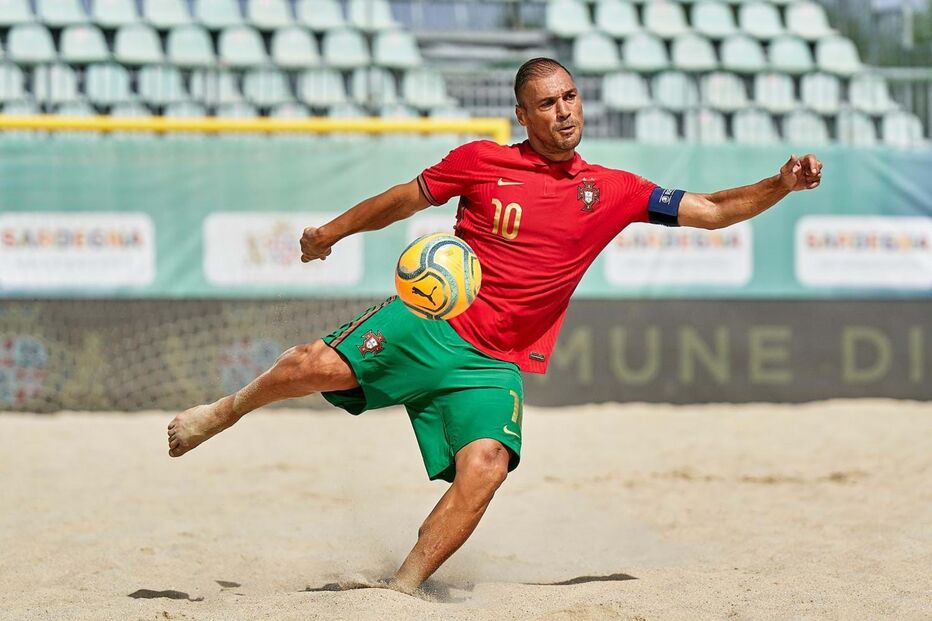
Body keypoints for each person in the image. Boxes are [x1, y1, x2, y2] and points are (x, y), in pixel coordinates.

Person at [167, 58, 823, 594]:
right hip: (432, 322)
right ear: (523, 114)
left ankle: (401, 589)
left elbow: (710, 209)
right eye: (546, 102)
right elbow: (401, 197)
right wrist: (331, 233)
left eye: (570, 97)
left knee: (486, 465)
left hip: (493, 361)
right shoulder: (482, 161)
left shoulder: (614, 188)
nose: (563, 110)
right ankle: (223, 411)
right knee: (314, 367)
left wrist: (781, 183)